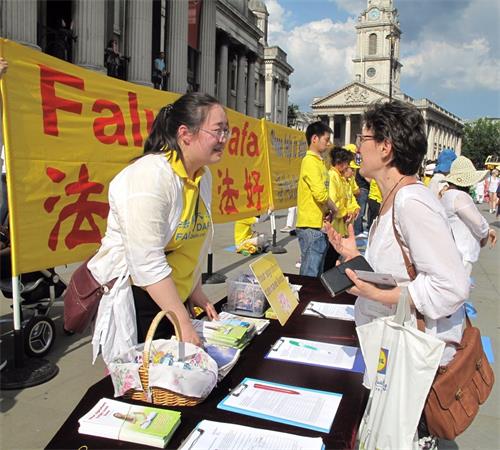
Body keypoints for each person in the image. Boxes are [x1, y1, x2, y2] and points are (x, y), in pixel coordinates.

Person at [326, 101, 469, 449]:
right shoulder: (394, 198)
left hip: (411, 360)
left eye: (363, 138)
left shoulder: (411, 202)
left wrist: (380, 295)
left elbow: (451, 286)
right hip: (391, 351)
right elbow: (400, 269)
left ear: (386, 147)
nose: (358, 147)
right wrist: (354, 255)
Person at [89, 93, 228, 364]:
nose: (224, 138)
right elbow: (147, 263)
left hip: (175, 301)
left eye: (227, 130)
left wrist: (195, 289)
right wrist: (183, 322)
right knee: (148, 384)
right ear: (185, 134)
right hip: (142, 299)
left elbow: (191, 241)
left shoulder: (202, 176)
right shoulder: (148, 177)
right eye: (217, 130)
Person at [440, 156, 497, 277]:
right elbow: (477, 222)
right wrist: (486, 232)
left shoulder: (447, 195)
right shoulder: (460, 196)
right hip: (462, 252)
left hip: (450, 251)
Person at [295, 121, 336, 277]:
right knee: (310, 273)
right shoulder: (310, 161)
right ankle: (305, 299)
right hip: (310, 225)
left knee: (316, 271)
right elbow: (320, 194)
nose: (328, 143)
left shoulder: (320, 162)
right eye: (326, 139)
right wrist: (335, 209)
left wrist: (328, 211)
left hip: (319, 223)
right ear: (314, 139)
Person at [324, 147, 354, 270]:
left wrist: (352, 210)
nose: (347, 166)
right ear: (340, 163)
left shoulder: (340, 177)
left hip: (339, 225)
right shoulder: (332, 176)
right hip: (334, 224)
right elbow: (333, 201)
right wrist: (345, 212)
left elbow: (347, 199)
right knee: (329, 259)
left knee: (333, 258)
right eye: (346, 163)